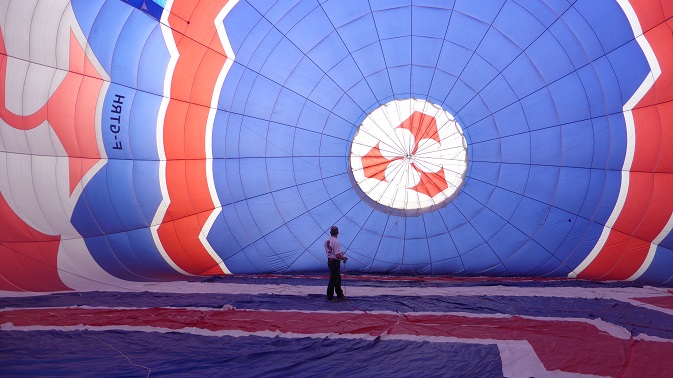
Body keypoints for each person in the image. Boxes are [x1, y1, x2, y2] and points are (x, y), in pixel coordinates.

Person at [324, 225, 347, 301]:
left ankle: (339, 294)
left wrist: (340, 254)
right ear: (337, 233)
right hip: (335, 262)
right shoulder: (336, 242)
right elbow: (337, 255)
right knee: (334, 279)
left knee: (337, 278)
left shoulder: (326, 240)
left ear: (330, 232)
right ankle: (330, 296)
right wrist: (344, 258)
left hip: (330, 261)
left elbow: (331, 252)